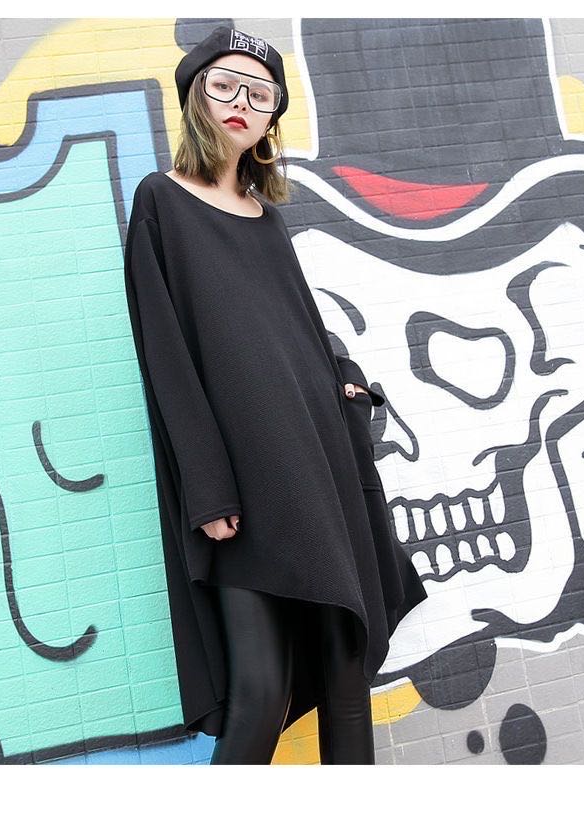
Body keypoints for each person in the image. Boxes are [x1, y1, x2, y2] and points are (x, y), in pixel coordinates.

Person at [123, 26, 427, 765]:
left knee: (346, 676)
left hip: (318, 461)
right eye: (224, 85)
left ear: (271, 119)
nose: (242, 103)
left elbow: (300, 326)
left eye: (261, 95)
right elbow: (166, 358)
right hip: (244, 482)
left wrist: (344, 373)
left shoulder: (269, 218)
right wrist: (208, 488)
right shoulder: (161, 201)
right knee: (261, 693)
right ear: (195, 97)